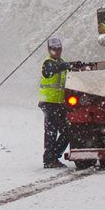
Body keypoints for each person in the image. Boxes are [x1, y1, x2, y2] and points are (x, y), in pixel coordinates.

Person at [38, 36, 74, 168]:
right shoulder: (48, 63)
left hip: (59, 103)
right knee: (52, 131)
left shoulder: (62, 62)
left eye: (59, 49)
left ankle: (52, 156)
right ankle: (50, 159)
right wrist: (65, 66)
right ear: (49, 50)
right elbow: (50, 71)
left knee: (67, 131)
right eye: (54, 50)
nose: (57, 52)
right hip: (49, 103)